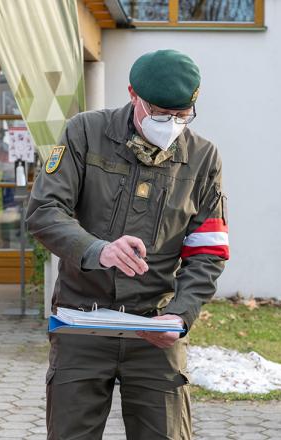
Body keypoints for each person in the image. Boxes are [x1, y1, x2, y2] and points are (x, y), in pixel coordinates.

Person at [26, 49, 228, 440]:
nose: (170, 125)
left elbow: (208, 247)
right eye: (159, 114)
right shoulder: (84, 132)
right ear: (133, 93)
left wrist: (181, 315)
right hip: (82, 322)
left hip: (154, 327)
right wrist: (96, 249)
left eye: (181, 116)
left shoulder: (203, 157)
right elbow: (45, 211)